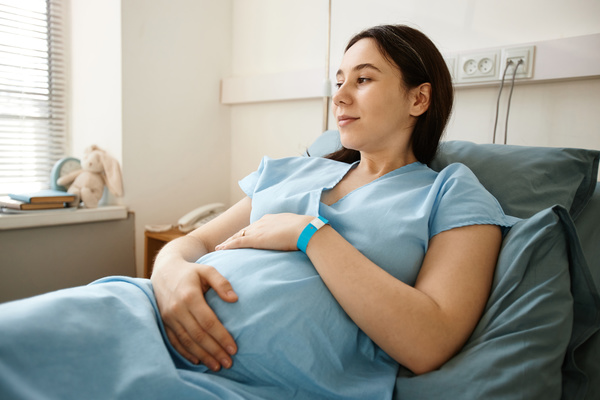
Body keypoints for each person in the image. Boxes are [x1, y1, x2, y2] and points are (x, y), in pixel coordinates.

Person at [0, 25, 515, 399]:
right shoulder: (295, 171)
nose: (339, 94)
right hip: (140, 318)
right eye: (338, 79)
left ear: (418, 99)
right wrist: (170, 274)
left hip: (250, 383)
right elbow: (190, 243)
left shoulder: (450, 192)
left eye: (363, 79)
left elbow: (430, 341)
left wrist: (310, 234)